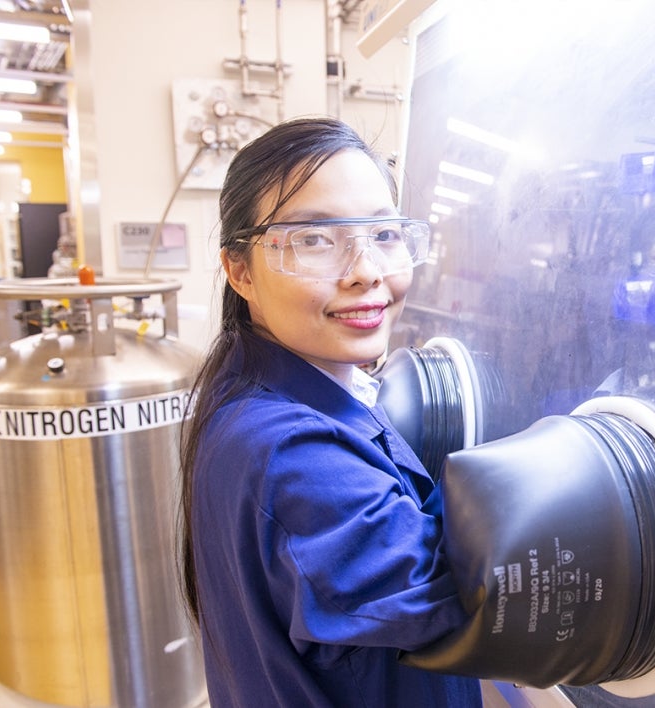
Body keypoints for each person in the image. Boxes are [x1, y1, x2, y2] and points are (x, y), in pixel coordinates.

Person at [178, 116, 483, 707]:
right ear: (240, 270)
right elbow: (466, 601)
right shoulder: (289, 455)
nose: (366, 270)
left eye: (384, 234)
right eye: (315, 239)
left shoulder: (256, 386)